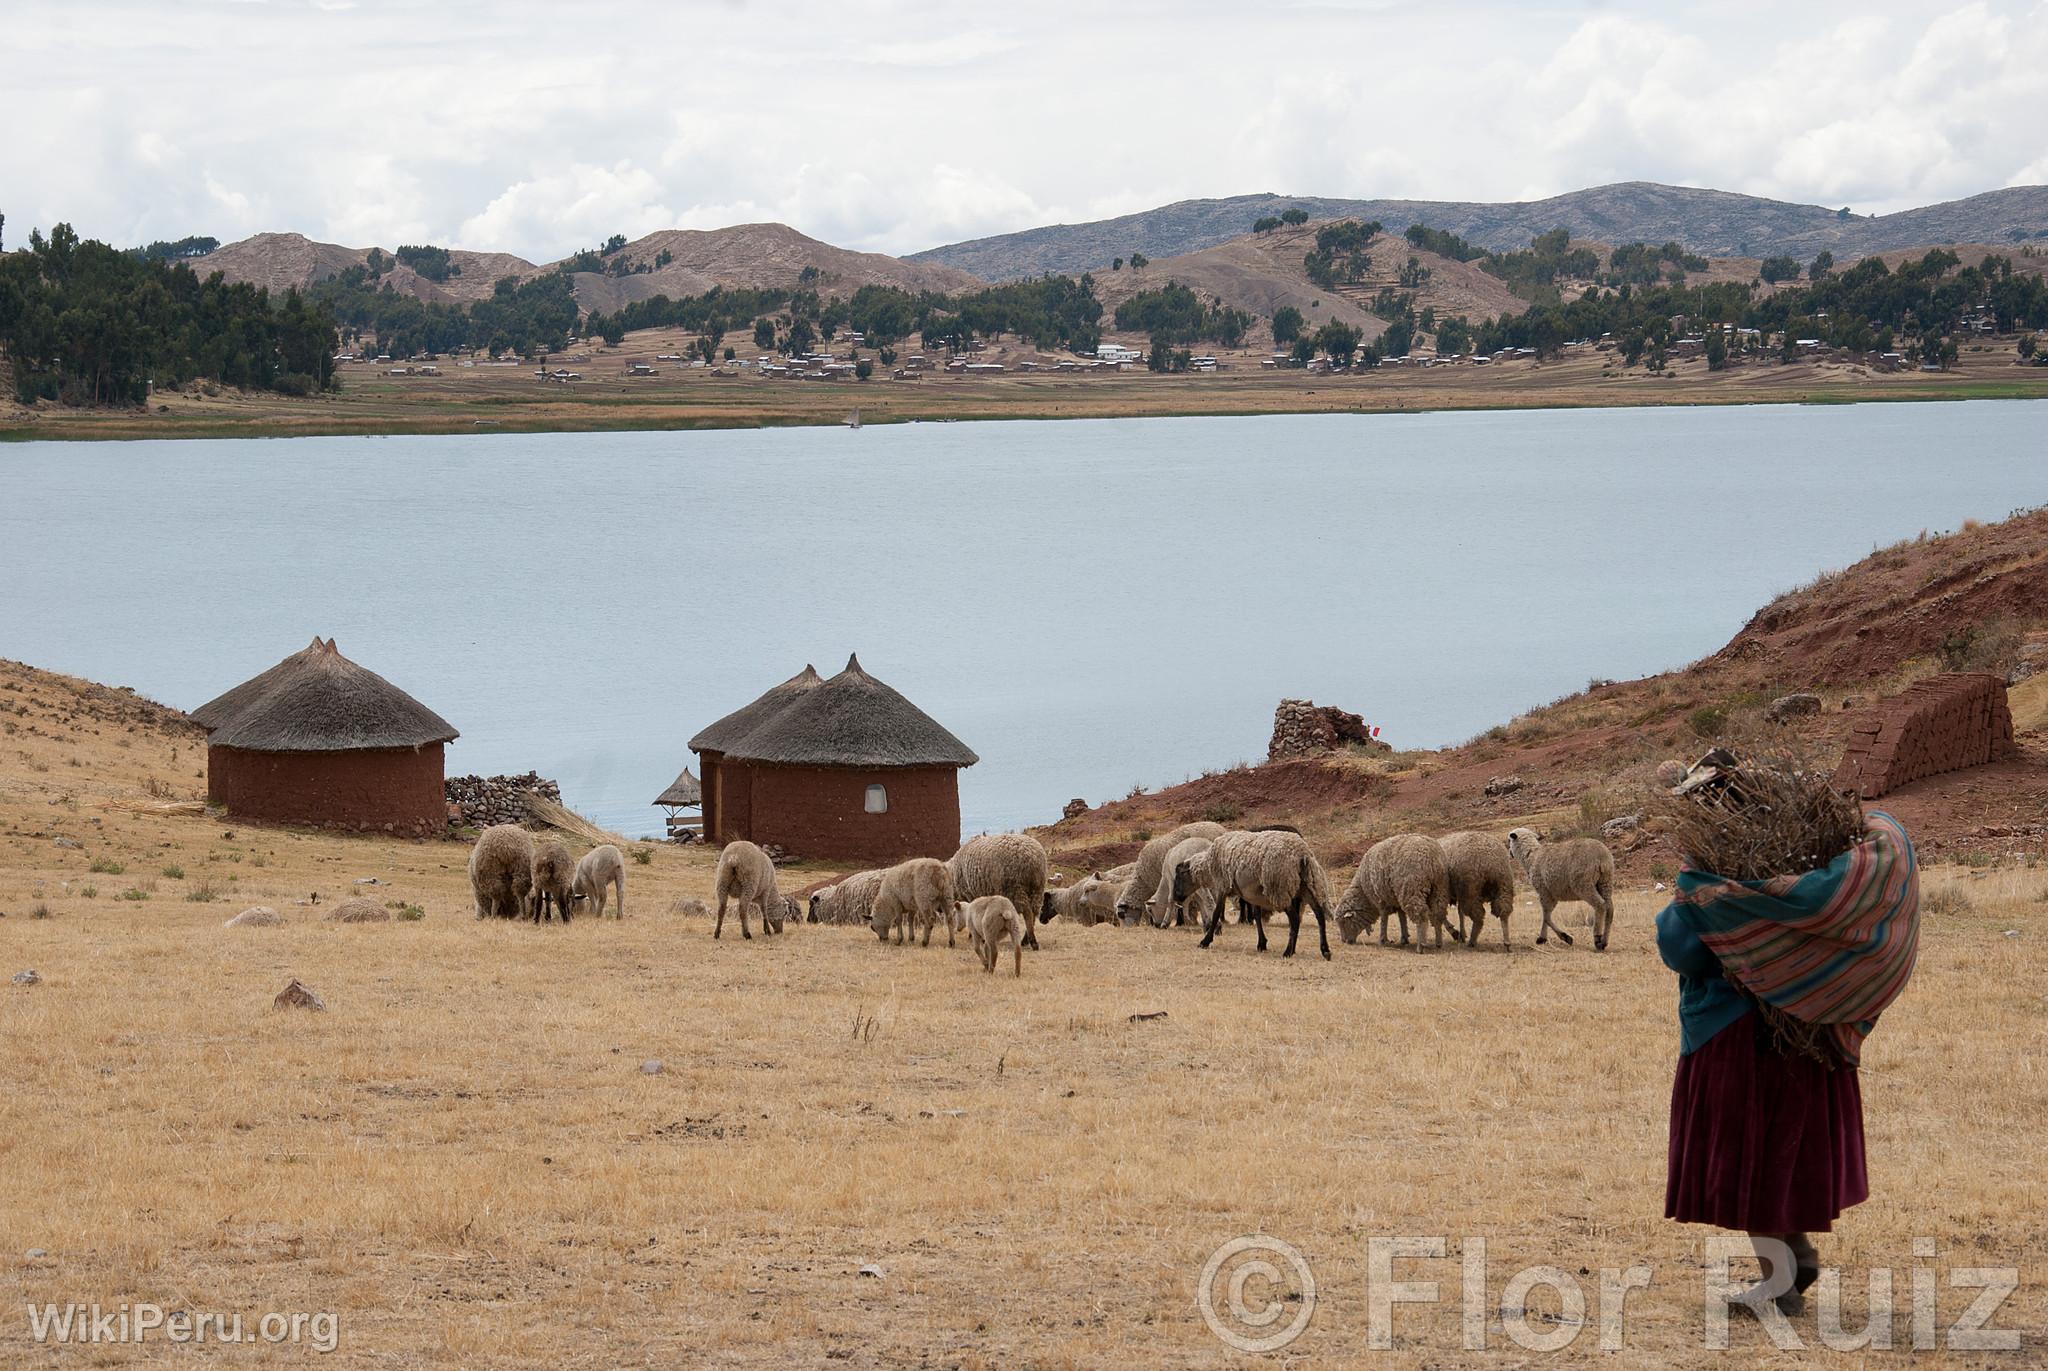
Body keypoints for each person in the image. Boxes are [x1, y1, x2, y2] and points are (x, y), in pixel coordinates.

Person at [1656, 809, 1920, 1317]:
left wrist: (1682, 898)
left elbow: (1683, 949)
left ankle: (1778, 1284)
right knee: (1782, 1150)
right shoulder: (1811, 865)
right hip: (1806, 1027)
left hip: (1735, 1034)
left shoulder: (1717, 879)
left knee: (1748, 1157)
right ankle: (1793, 1255)